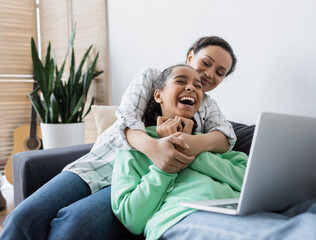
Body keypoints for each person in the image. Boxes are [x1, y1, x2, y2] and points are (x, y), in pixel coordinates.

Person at [1, 36, 239, 240]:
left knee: (71, 227)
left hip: (136, 180)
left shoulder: (207, 105)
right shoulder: (153, 77)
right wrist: (156, 148)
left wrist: (183, 144)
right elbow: (126, 119)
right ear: (190, 57)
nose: (209, 74)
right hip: (101, 164)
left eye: (220, 72)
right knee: (21, 219)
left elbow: (226, 137)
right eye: (206, 63)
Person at [111, 64, 248, 240]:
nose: (191, 87)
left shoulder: (209, 141)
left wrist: (194, 149)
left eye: (197, 86)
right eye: (181, 81)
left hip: (237, 210)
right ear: (158, 95)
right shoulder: (137, 147)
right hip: (182, 217)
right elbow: (132, 219)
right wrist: (164, 170)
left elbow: (251, 183)